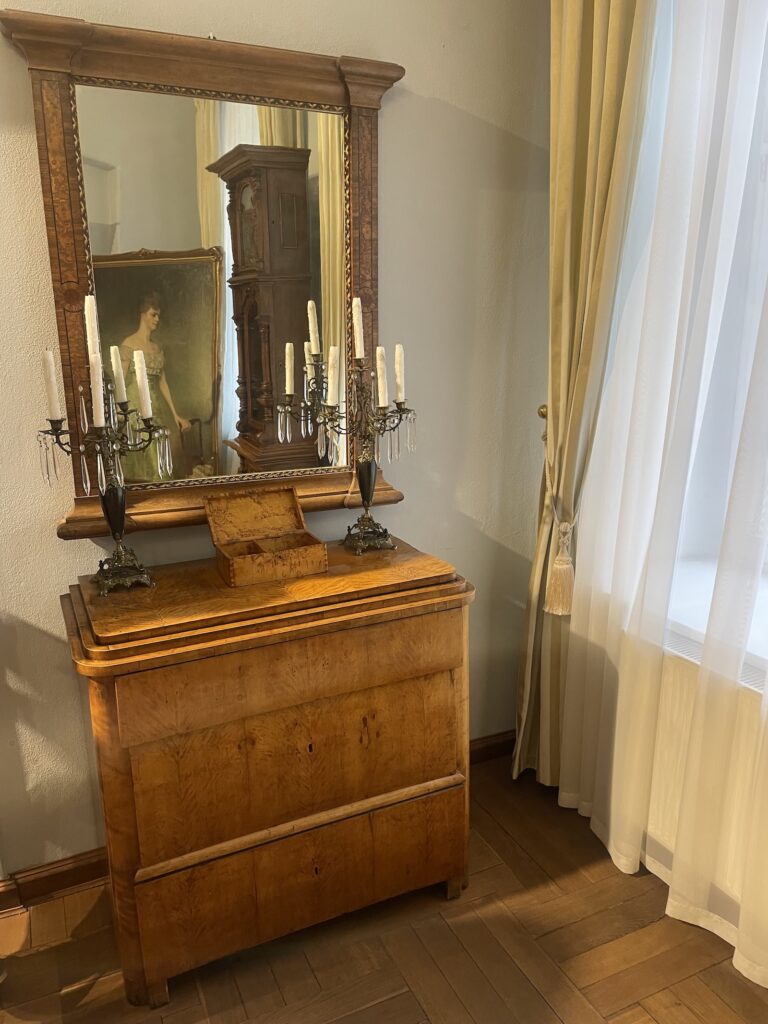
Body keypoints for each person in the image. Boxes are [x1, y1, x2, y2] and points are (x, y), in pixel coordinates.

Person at [119, 292, 191, 482]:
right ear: (142, 314)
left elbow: (162, 383)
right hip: (135, 406)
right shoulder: (128, 344)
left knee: (160, 454)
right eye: (153, 314)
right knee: (146, 455)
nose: (157, 319)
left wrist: (175, 415)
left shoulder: (157, 348)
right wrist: (119, 409)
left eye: (159, 315)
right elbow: (120, 381)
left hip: (155, 406)